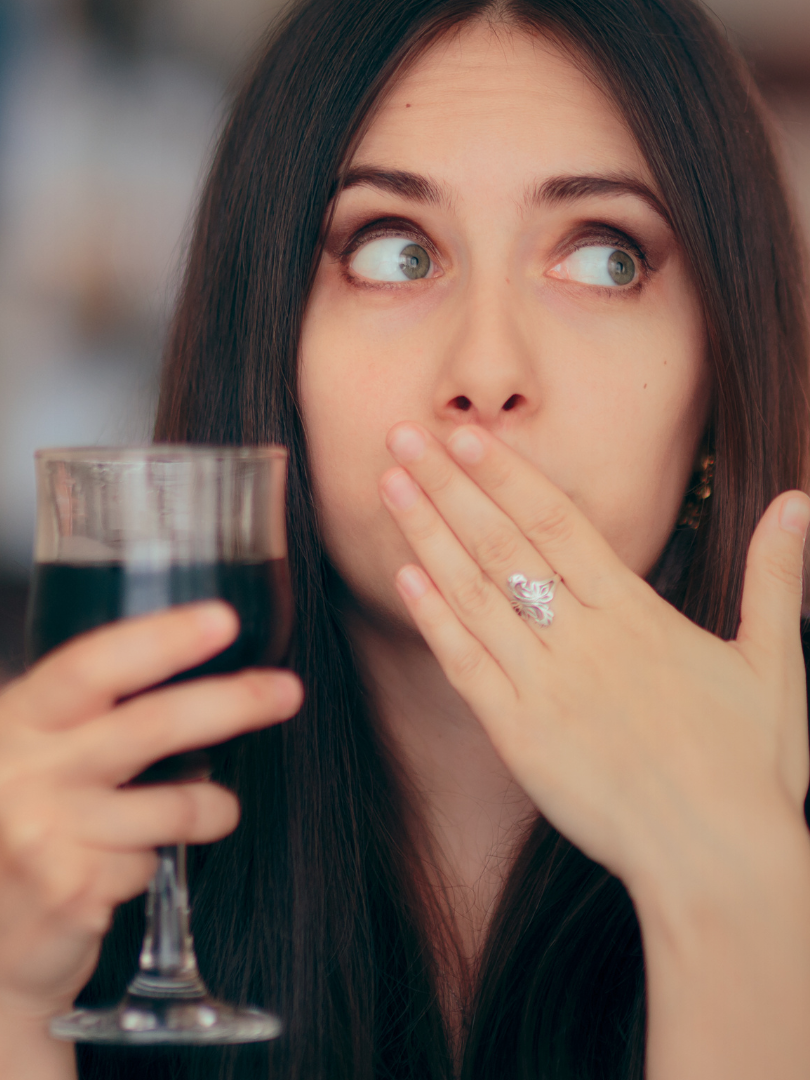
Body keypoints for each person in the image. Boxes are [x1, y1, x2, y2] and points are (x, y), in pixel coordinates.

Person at [1, 0, 809, 1077]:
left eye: (607, 258)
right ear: (270, 350)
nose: (485, 368)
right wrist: (13, 1000)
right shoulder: (64, 863)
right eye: (393, 251)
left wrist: (736, 893)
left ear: (719, 379)